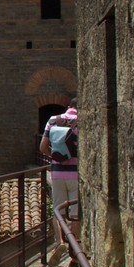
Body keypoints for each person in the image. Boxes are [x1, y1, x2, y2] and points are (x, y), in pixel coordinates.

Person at [40, 99, 79, 240]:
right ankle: (74, 253)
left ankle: (61, 243)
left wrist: (57, 157)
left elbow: (42, 147)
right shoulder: (81, 120)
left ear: (69, 107)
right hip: (75, 173)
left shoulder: (52, 120)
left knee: (58, 211)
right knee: (75, 214)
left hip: (57, 172)